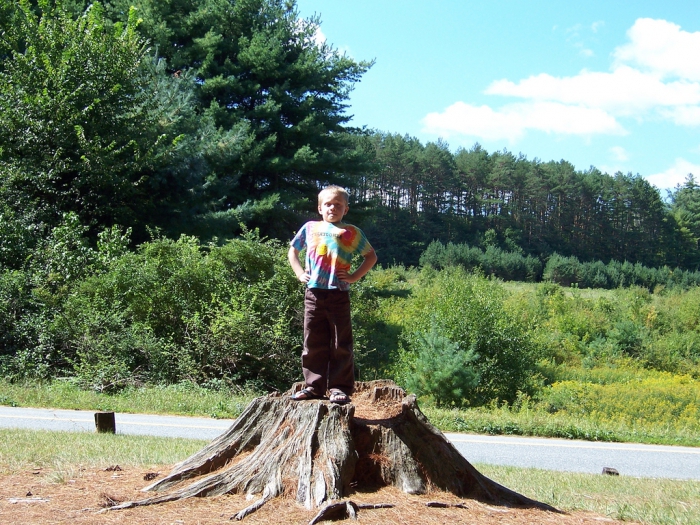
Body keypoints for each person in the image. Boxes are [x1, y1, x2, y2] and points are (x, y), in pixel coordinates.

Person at [287, 185, 377, 404]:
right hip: (313, 294)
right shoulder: (309, 228)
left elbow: (371, 256)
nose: (333, 208)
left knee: (340, 343)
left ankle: (339, 388)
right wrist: (300, 273)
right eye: (328, 204)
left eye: (338, 204)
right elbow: (293, 251)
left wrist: (354, 277)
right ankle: (313, 386)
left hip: (338, 294)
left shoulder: (351, 232)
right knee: (313, 341)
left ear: (346, 209)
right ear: (320, 207)